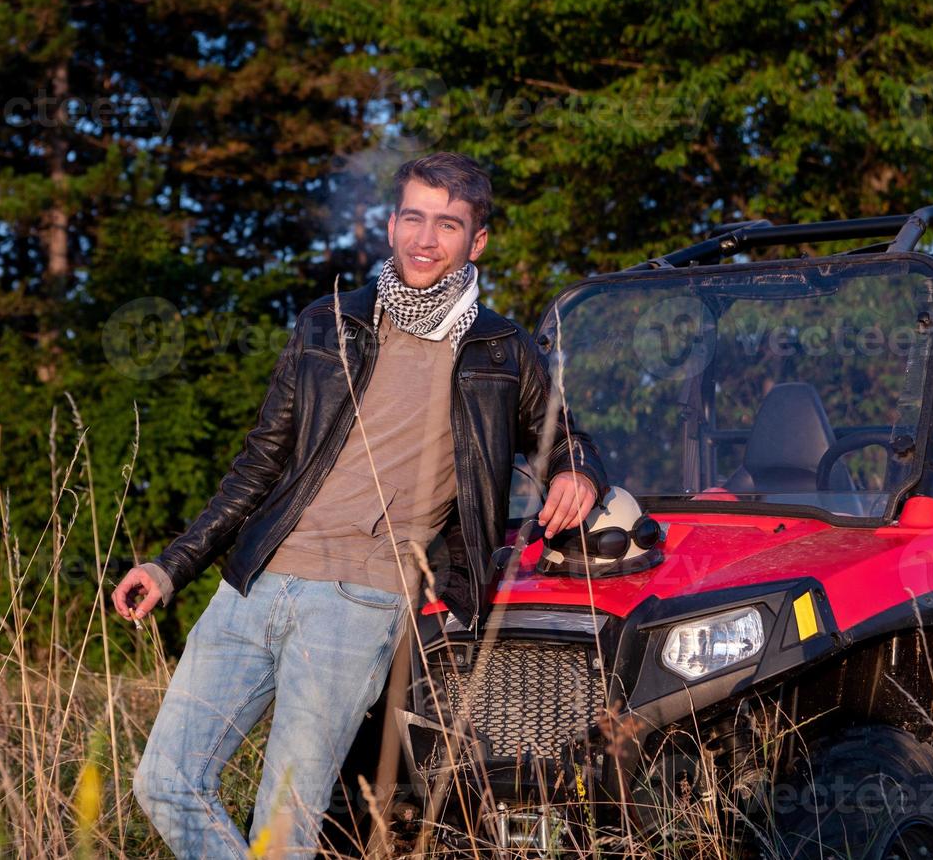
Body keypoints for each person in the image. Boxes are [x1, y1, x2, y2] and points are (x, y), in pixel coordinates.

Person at [114, 151, 607, 858]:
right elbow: (259, 461)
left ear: (477, 241)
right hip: (255, 581)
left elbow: (565, 436)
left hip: (359, 602)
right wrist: (171, 568)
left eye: (447, 224)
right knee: (164, 781)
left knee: (282, 824)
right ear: (391, 222)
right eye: (413, 218)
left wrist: (576, 472)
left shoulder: (501, 349)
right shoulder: (328, 323)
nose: (424, 239)